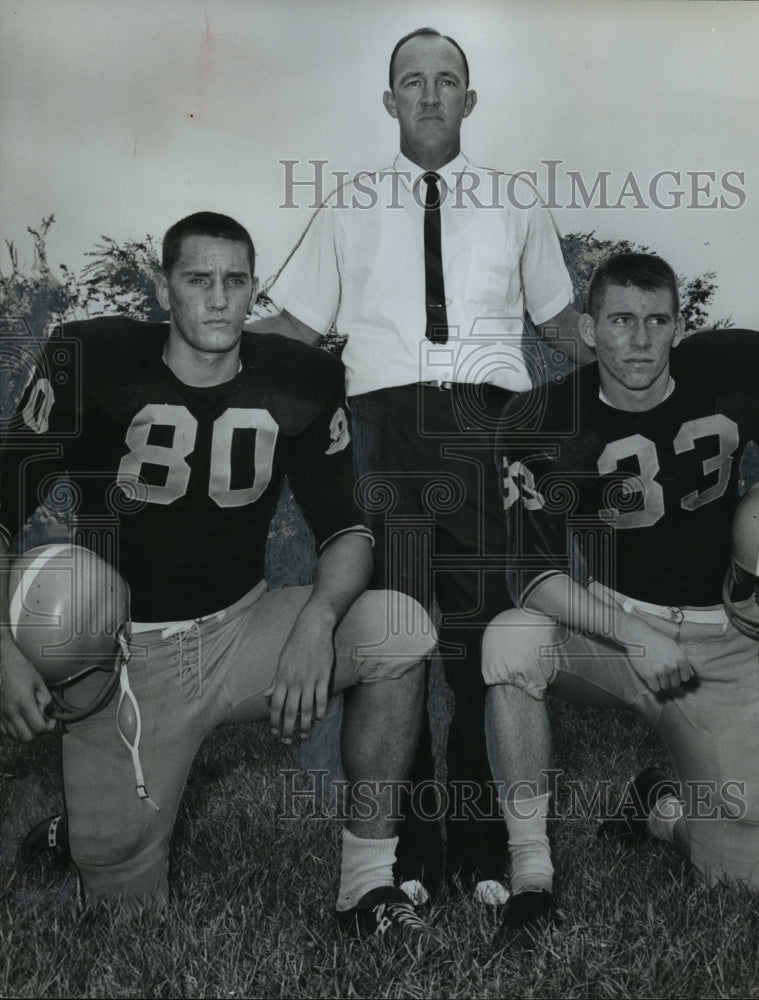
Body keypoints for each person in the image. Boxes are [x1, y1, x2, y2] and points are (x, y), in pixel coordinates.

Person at [0, 212, 440, 942]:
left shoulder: (302, 378)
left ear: (253, 289)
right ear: (164, 286)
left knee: (400, 627)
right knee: (126, 927)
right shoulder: (94, 358)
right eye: (197, 279)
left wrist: (315, 624)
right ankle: (80, 827)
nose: (216, 299)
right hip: (123, 656)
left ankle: (367, 882)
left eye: (235, 281)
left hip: (241, 630)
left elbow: (348, 531)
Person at [259, 26, 586, 904]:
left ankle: (485, 846)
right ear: (389, 100)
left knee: (488, 637)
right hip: (383, 433)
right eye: (413, 81)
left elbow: (559, 325)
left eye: (447, 81)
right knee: (396, 633)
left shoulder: (517, 201)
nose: (430, 95)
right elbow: (291, 324)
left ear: (469, 101)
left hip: (490, 430)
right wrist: (182, 344)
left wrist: (646, 368)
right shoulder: (346, 204)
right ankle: (398, 854)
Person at [483, 252, 759, 941]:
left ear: (678, 325)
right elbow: (531, 576)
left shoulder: (735, 371)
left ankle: (654, 804)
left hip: (720, 642)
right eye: (620, 320)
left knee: (739, 886)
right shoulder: (542, 418)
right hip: (611, 633)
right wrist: (633, 635)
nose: (638, 338)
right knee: (509, 641)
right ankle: (530, 872)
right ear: (588, 328)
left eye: (656, 320)